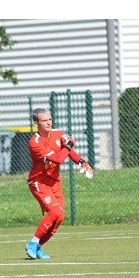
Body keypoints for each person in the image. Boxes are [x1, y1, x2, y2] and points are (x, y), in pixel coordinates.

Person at [24, 108, 94, 259]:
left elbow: (68, 151)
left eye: (50, 119)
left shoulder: (58, 133)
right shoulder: (34, 142)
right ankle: (33, 243)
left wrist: (82, 162)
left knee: (60, 217)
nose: (48, 122)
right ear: (36, 123)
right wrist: (69, 145)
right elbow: (58, 159)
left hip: (54, 182)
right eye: (44, 120)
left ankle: (38, 248)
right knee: (54, 212)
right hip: (39, 182)